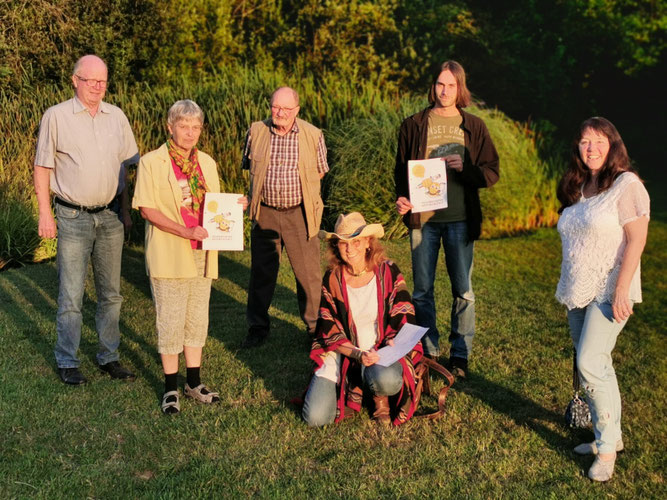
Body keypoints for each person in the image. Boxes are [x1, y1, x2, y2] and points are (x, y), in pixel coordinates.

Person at [132, 100, 248, 414]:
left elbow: (215, 206)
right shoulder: (151, 162)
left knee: (197, 318)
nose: (190, 133)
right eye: (184, 126)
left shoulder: (206, 163)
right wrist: (186, 232)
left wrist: (234, 208)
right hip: (170, 251)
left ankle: (193, 381)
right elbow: (147, 209)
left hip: (202, 252)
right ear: (170, 127)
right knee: (170, 321)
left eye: (196, 127)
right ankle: (170, 387)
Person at [33, 54, 139, 385]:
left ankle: (109, 356)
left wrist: (125, 211)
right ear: (75, 80)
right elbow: (42, 168)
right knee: (71, 294)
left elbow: (126, 166)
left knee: (111, 294)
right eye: (90, 80)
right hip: (72, 215)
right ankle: (67, 360)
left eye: (102, 81)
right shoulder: (56, 117)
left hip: (109, 216)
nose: (97, 86)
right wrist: (44, 213)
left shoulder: (116, 117)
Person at [556, 117, 650, 481]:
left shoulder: (627, 185)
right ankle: (610, 435)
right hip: (578, 288)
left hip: (611, 289)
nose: (591, 148)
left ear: (613, 146)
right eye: (584, 142)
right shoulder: (581, 185)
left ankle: (606, 451)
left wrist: (623, 288)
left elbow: (637, 239)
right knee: (599, 364)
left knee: (590, 362)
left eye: (598, 141)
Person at [394, 60, 500, 377]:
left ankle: (460, 356)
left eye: (451, 85)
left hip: (459, 219)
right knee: (422, 291)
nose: (444, 90)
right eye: (440, 84)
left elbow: (491, 172)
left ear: (460, 88)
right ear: (433, 87)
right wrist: (402, 199)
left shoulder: (474, 126)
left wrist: (463, 168)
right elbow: (402, 170)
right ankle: (429, 352)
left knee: (463, 290)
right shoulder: (413, 124)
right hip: (423, 222)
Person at [302, 212, 424, 427]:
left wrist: (393, 340)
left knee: (386, 380)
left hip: (381, 350)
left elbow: (404, 310)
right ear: (336, 246)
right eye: (343, 243)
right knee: (315, 419)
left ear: (368, 242)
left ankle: (380, 399)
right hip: (347, 353)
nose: (350, 249)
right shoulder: (332, 277)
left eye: (356, 241)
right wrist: (357, 354)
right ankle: (354, 382)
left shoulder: (388, 270)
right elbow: (327, 324)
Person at [241, 86, 329, 348]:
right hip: (265, 212)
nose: (279, 113)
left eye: (286, 109)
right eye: (275, 107)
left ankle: (315, 329)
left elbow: (320, 172)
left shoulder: (313, 135)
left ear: (297, 111)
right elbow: (249, 168)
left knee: (308, 276)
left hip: (299, 214)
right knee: (261, 273)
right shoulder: (256, 131)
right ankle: (257, 328)